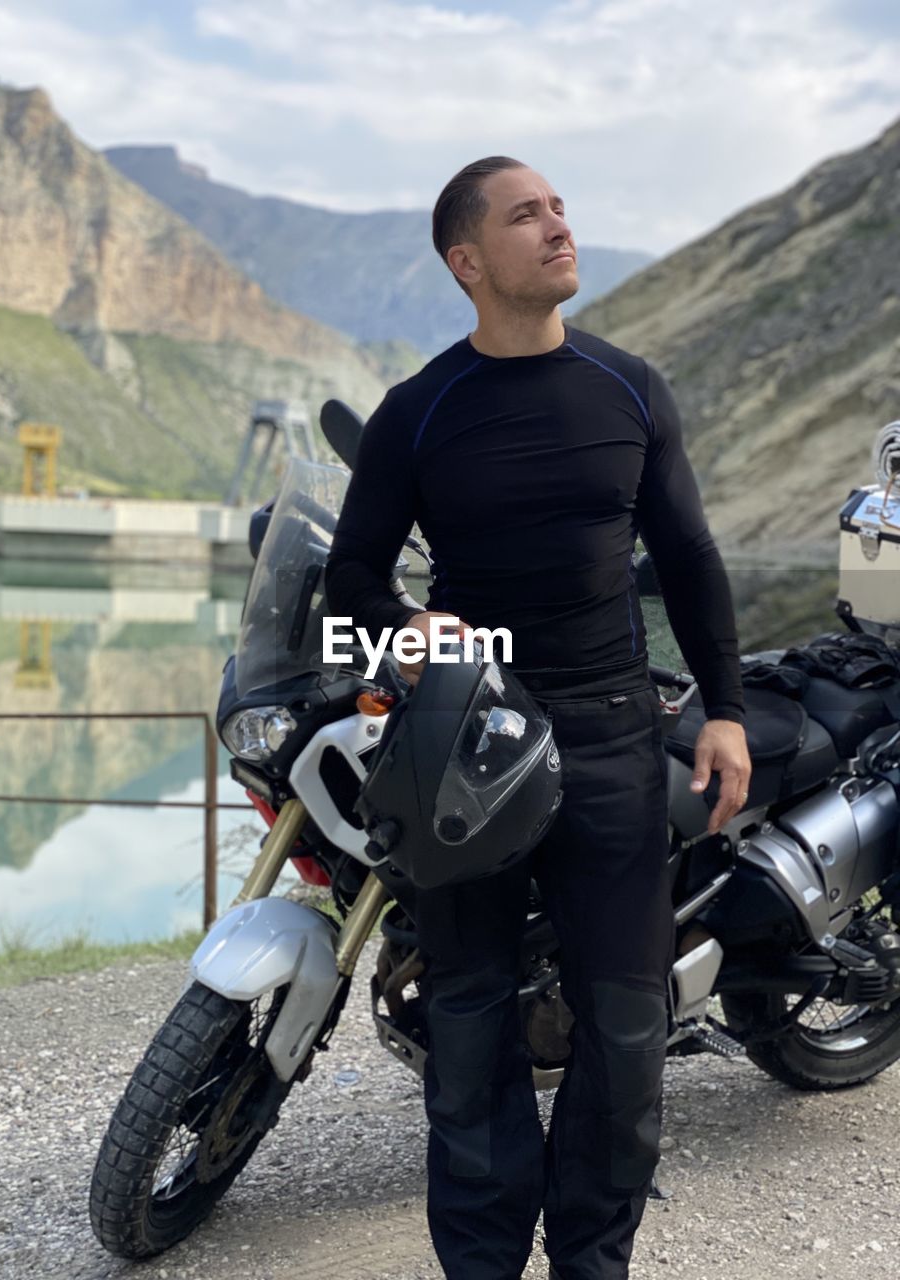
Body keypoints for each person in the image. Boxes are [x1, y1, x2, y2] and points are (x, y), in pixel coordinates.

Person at [324, 156, 752, 1280]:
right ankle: (480, 1264)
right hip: (468, 744)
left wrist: (726, 711)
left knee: (627, 1031)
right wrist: (404, 626)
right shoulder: (419, 412)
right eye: (527, 215)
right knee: (468, 1028)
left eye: (558, 207)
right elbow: (354, 578)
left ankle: (591, 1262)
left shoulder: (629, 388)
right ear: (468, 262)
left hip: (612, 736)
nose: (559, 225)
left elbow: (693, 559)